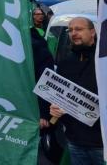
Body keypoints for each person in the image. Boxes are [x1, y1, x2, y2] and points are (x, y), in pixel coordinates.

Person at [49, 17, 103, 164]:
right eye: (70, 30)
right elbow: (59, 96)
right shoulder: (65, 63)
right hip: (75, 142)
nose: (73, 33)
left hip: (102, 145)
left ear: (92, 32)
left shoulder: (102, 62)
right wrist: (55, 108)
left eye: (79, 29)